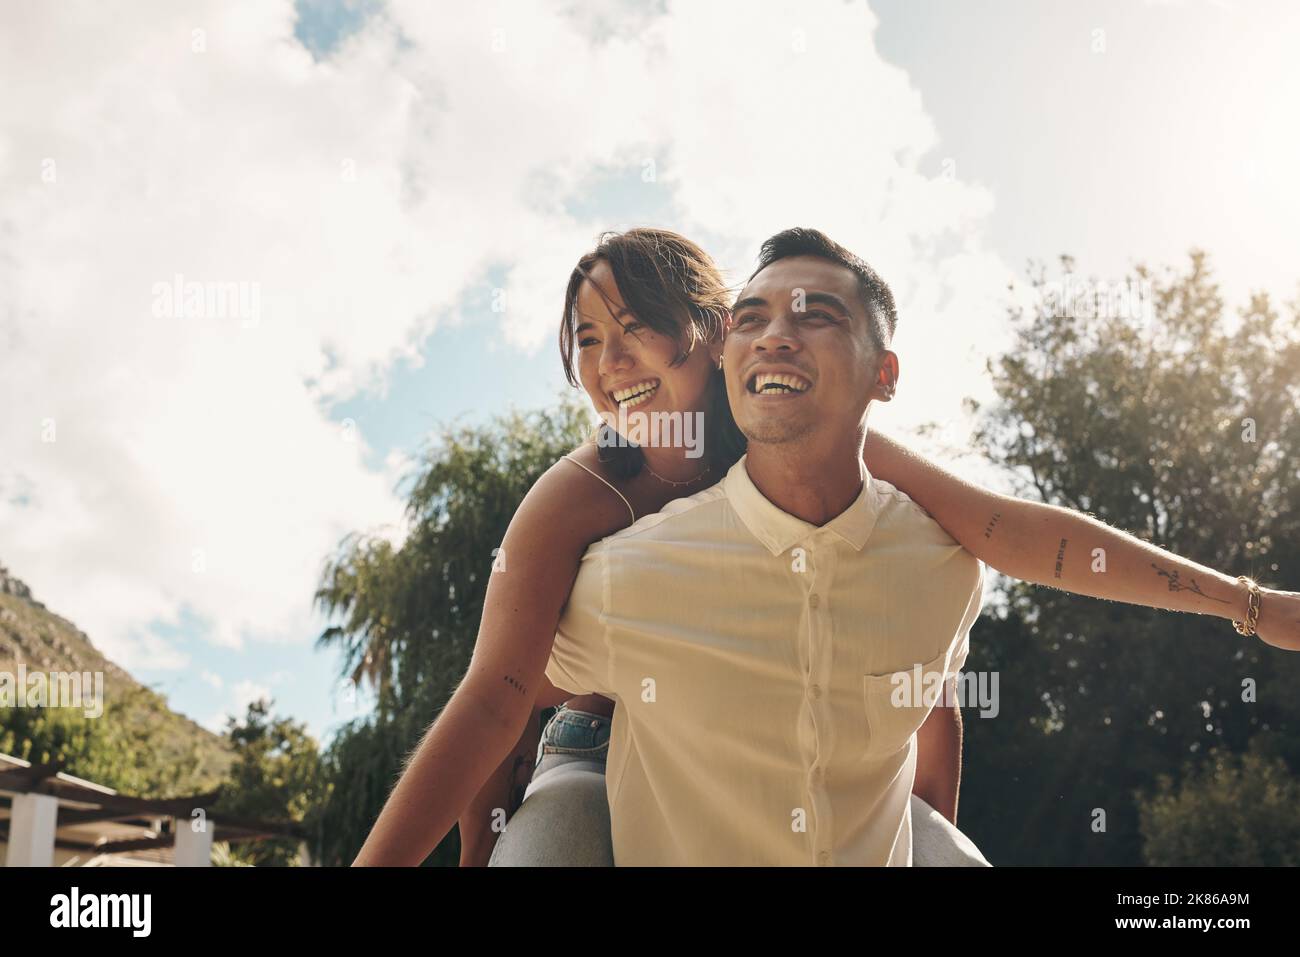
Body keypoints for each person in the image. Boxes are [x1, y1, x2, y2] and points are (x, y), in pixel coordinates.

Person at [353, 228, 1299, 867]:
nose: (610, 363)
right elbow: (497, 699)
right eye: (588, 340)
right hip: (595, 749)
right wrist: (471, 851)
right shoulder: (579, 497)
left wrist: (1250, 604)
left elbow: (979, 560)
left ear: (710, 335)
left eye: (637, 329)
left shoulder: (786, 439)